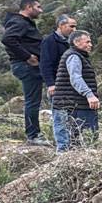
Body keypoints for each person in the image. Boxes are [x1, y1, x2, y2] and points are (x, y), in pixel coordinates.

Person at [1, 0, 48, 145]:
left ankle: (34, 134)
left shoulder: (23, 23)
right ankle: (33, 136)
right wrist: (27, 56)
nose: (41, 10)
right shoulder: (19, 22)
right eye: (38, 7)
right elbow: (7, 39)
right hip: (26, 66)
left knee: (35, 100)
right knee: (32, 102)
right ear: (28, 7)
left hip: (29, 65)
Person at [51, 30, 100, 151]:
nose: (90, 45)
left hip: (70, 104)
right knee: (76, 144)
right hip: (72, 106)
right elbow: (75, 78)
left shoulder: (76, 55)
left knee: (75, 144)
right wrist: (89, 94)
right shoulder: (74, 56)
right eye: (87, 42)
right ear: (76, 42)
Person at [40, 14, 77, 143]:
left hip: (72, 85)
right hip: (58, 85)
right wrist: (51, 84)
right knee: (60, 118)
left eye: (75, 27)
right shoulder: (49, 41)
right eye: (71, 26)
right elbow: (45, 64)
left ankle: (74, 143)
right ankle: (63, 148)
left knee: (73, 116)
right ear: (61, 25)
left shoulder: (71, 42)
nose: (74, 29)